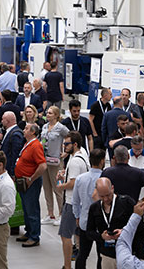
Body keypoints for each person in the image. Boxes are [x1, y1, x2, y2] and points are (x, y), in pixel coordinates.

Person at [86, 177, 136, 269]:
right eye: (101, 196)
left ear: (112, 188)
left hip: (126, 253)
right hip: (106, 255)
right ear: (96, 192)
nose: (105, 199)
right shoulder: (94, 208)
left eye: (108, 195)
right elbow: (89, 232)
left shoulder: (126, 202)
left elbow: (138, 224)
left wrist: (124, 231)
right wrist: (101, 237)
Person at [57, 131, 90, 269]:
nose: (64, 146)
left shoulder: (75, 161)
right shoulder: (81, 155)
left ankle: (67, 266)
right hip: (81, 202)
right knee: (78, 234)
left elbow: (73, 183)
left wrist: (61, 186)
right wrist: (65, 175)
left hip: (71, 202)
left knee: (65, 235)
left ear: (75, 144)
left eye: (67, 144)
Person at [14, 123, 47, 247]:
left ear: (33, 132)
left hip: (31, 183)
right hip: (23, 181)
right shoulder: (28, 144)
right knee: (26, 208)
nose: (23, 130)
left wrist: (31, 179)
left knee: (32, 208)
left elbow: (43, 166)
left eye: (26, 129)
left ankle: (34, 236)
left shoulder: (36, 146)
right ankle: (29, 232)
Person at [73, 148, 106, 269]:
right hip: (101, 222)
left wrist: (77, 216)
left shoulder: (80, 178)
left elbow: (75, 201)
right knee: (101, 255)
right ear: (102, 161)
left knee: (82, 254)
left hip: (84, 220)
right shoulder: (104, 179)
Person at [40, 106, 69, 226]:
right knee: (47, 188)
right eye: (47, 113)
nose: (48, 114)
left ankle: (62, 214)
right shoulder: (44, 127)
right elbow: (43, 140)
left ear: (56, 115)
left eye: (50, 113)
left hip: (56, 162)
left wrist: (66, 152)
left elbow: (70, 137)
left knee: (58, 188)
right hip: (45, 160)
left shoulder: (61, 128)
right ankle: (50, 214)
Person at [0, 111, 25, 178]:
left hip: (10, 171)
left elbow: (15, 155)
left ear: (7, 121)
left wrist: (12, 173)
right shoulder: (10, 132)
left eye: (3, 119)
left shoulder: (16, 134)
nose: (1, 121)